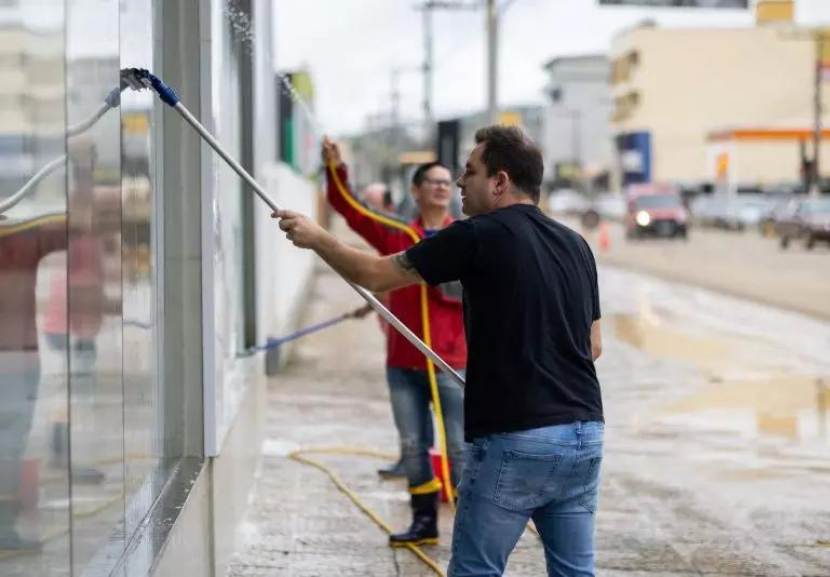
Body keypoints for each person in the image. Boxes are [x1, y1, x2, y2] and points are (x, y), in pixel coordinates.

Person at [276, 126, 604, 576]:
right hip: (584, 436)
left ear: (500, 181)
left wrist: (317, 239)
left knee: (475, 570)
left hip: (516, 436)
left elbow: (375, 275)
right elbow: (593, 345)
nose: (459, 183)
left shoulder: (475, 234)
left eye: (469, 172)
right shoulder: (577, 245)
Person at [322, 138, 467, 547]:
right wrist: (336, 169)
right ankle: (424, 524)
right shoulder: (397, 234)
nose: (440, 187)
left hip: (452, 361)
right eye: (431, 181)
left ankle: (470, 527)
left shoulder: (466, 236)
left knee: (459, 450)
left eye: (446, 181)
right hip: (403, 363)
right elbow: (350, 210)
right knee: (413, 446)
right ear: (415, 192)